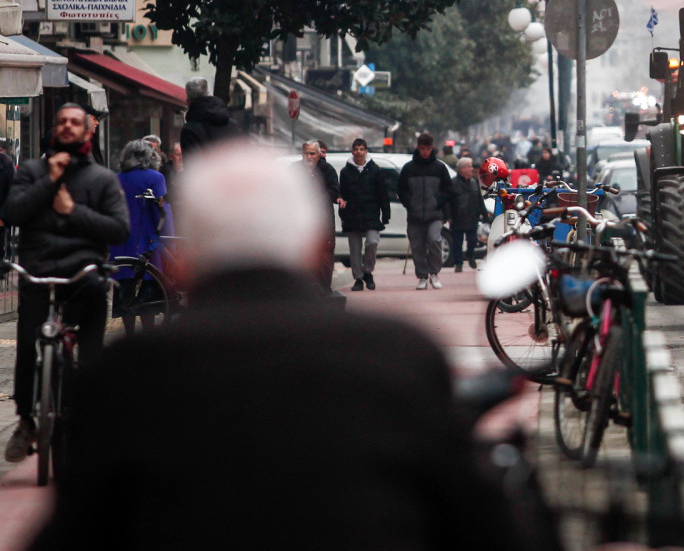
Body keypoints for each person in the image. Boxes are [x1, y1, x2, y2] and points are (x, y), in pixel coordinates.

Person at [27, 146, 529, 551]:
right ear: (314, 247)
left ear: (180, 263)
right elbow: (477, 522)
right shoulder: (397, 357)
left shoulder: (124, 376)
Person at [2, 104, 130, 463]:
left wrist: (72, 210)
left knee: (92, 322)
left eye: (76, 122)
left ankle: (89, 403)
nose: (68, 127)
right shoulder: (31, 172)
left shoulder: (102, 179)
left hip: (83, 272)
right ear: (54, 129)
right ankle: (26, 419)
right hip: (38, 270)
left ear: (88, 130)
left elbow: (119, 228)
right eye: (62, 122)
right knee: (28, 343)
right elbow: (11, 213)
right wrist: (48, 183)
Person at [109, 140, 170, 334]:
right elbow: (160, 211)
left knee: (126, 295)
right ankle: (147, 337)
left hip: (121, 243)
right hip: (147, 242)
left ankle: (128, 334)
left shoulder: (116, 179)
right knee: (148, 298)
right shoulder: (156, 178)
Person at [398, 132, 453, 290]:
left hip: (434, 213)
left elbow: (448, 189)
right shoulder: (408, 168)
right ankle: (422, 276)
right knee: (417, 246)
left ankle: (434, 273)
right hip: (414, 214)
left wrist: (439, 202)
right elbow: (401, 190)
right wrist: (409, 203)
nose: (425, 152)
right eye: (422, 148)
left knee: (435, 240)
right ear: (418, 147)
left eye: (427, 148)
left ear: (432, 148)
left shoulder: (440, 168)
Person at [338, 138, 389, 291]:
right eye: (356, 149)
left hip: (371, 213)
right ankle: (358, 278)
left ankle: (368, 271)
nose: (359, 152)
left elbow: (382, 194)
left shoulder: (375, 170)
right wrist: (342, 212)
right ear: (352, 151)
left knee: (372, 242)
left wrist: (385, 214)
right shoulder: (345, 172)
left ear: (366, 151)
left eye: (362, 149)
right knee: (354, 249)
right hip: (352, 214)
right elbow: (343, 194)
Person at [298, 140, 340, 291]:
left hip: (323, 221)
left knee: (324, 256)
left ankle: (324, 288)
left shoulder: (327, 170)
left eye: (312, 153)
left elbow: (334, 191)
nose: (309, 157)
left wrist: (317, 198)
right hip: (300, 221)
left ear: (318, 154)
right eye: (306, 153)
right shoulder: (295, 169)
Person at [180, 76, 241, 160]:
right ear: (210, 96)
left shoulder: (189, 130)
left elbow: (192, 165)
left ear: (187, 102)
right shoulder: (233, 125)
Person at [448, 158, 487, 273]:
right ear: (462, 169)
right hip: (457, 217)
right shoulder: (453, 183)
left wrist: (484, 215)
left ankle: (470, 255)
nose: (471, 169)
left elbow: (479, 199)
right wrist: (448, 216)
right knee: (457, 243)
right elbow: (448, 201)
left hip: (472, 216)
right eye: (469, 166)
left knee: (473, 240)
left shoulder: (474, 182)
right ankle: (458, 263)